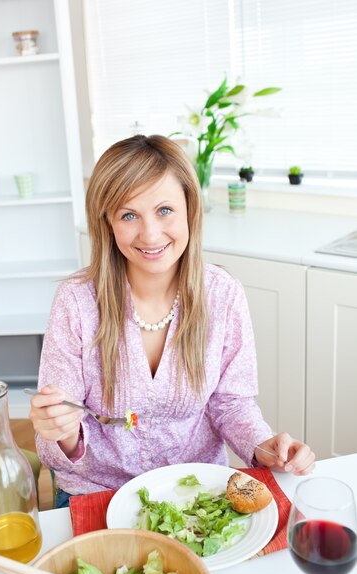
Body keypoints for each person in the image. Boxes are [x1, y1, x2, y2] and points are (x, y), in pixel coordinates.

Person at [29, 134, 315, 508]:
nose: (150, 234)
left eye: (164, 210)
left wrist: (265, 447)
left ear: (189, 210)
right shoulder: (76, 301)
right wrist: (62, 433)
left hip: (197, 490)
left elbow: (231, 404)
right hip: (98, 493)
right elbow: (54, 447)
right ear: (108, 224)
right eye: (128, 215)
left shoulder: (222, 294)